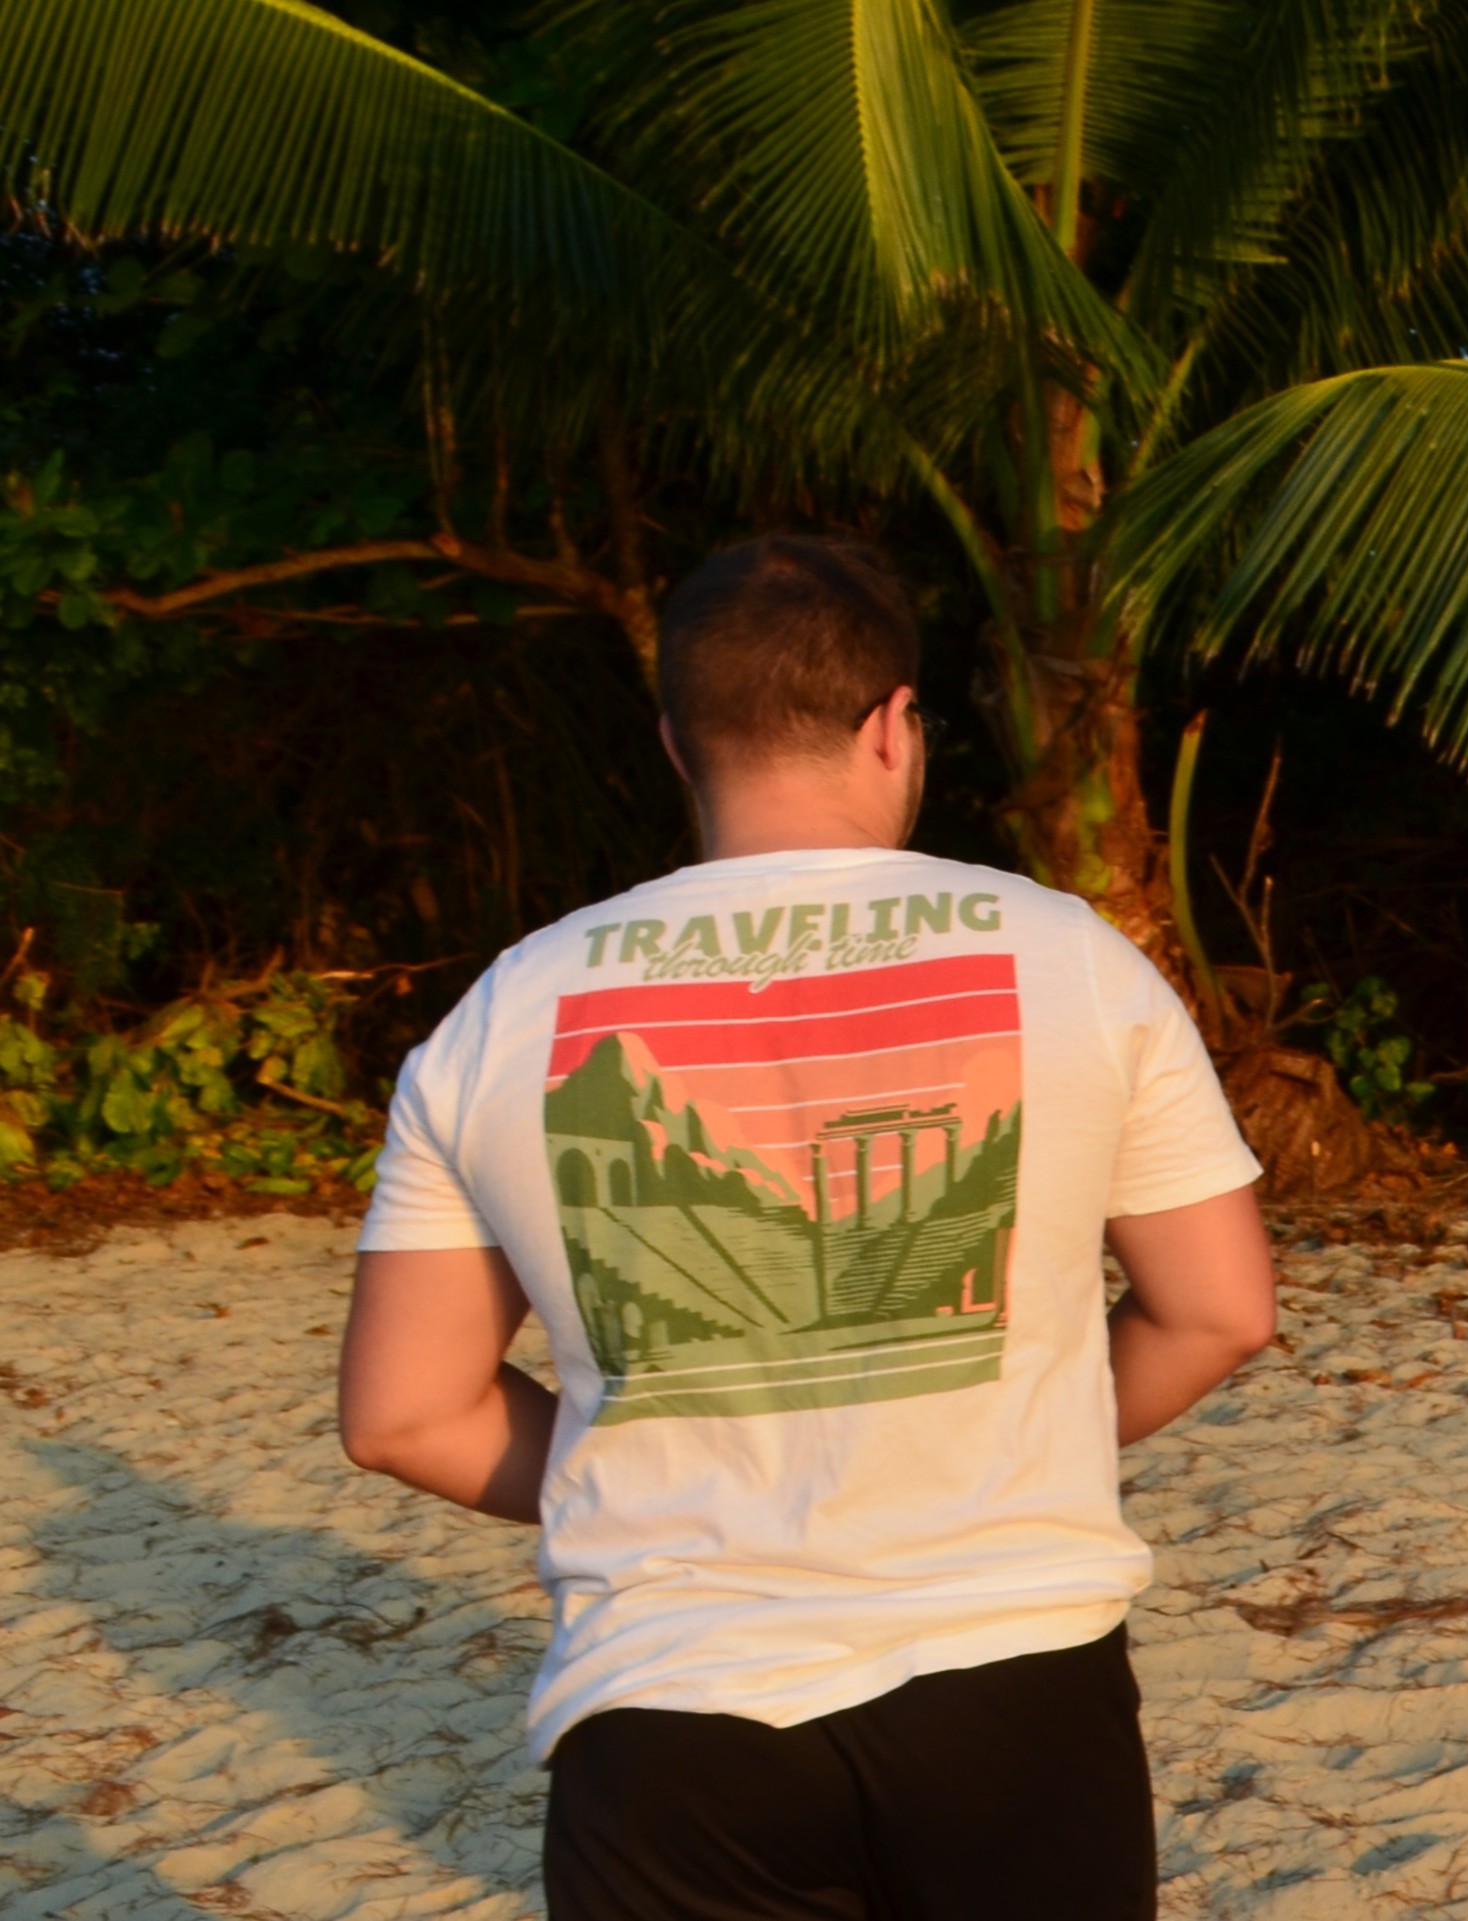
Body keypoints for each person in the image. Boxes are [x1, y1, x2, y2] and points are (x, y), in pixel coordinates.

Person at [340, 534, 1275, 1921]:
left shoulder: (505, 1008)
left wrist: (673, 1464)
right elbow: (1218, 1310)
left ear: (676, 741)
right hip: (1012, 1677)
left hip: (665, 1703)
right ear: (893, 725)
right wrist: (984, 1428)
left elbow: (402, 1414)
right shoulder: (1072, 955)